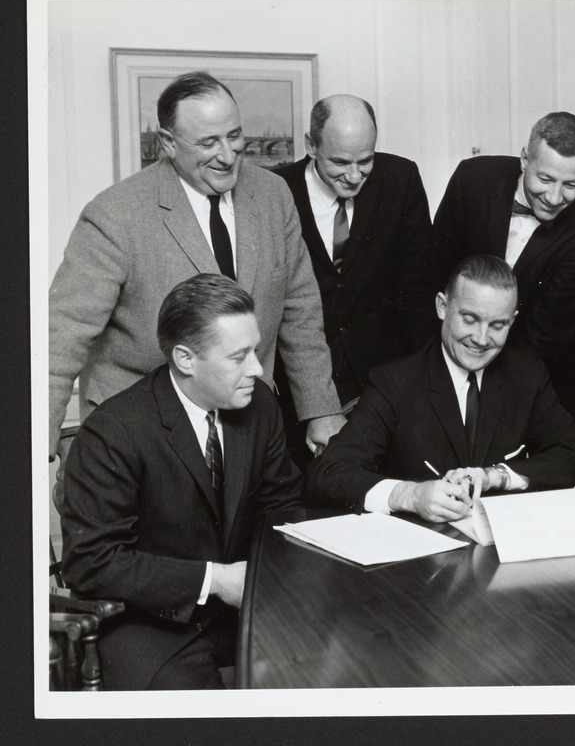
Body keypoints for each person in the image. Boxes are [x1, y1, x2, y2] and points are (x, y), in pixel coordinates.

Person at [48, 71, 345, 463]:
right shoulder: (114, 215)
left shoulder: (273, 195)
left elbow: (300, 310)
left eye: (234, 135)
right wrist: (38, 431)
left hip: (248, 427)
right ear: (168, 144)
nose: (227, 154)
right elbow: (63, 335)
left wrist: (320, 408)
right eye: (208, 142)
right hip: (142, 436)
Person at [60, 275, 304, 690]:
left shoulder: (259, 403)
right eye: (238, 356)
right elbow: (91, 562)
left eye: (256, 350)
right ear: (185, 359)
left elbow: (281, 505)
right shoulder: (114, 431)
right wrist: (217, 581)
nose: (258, 369)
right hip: (149, 623)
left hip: (248, 608)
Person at [307, 255, 575, 522]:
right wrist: (409, 495)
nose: (481, 339)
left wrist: (496, 476)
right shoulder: (394, 382)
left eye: (498, 325)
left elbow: (573, 454)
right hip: (418, 557)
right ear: (442, 307)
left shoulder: (526, 374)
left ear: (513, 321)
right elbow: (328, 473)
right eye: (469, 319)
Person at [272, 94, 439, 467]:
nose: (353, 175)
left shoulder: (400, 179)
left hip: (384, 382)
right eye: (340, 162)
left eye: (366, 161)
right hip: (299, 387)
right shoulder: (274, 190)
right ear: (311, 145)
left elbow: (417, 289)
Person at [433, 112, 575, 433]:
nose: (555, 197)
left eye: (571, 184)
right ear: (524, 159)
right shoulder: (472, 179)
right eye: (544, 179)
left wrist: (493, 395)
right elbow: (435, 275)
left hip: (548, 372)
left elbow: (551, 327)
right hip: (456, 361)